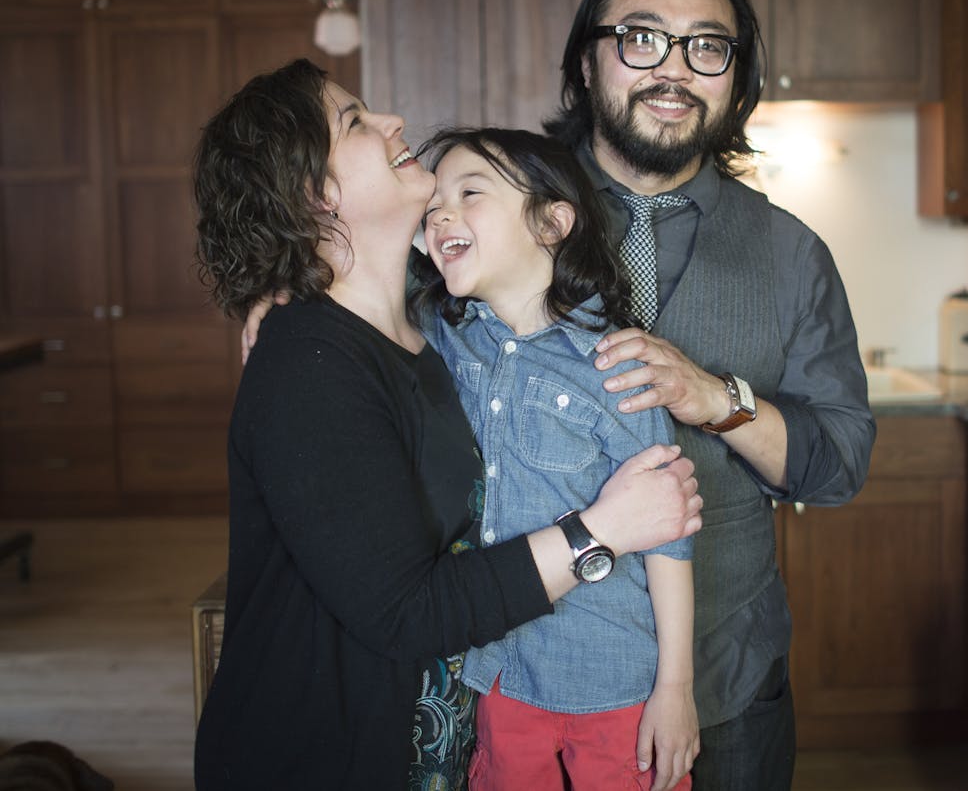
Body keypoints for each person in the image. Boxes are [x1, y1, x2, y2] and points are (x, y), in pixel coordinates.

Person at [192, 59, 701, 790]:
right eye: (356, 121)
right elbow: (406, 611)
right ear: (314, 192)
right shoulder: (307, 364)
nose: (393, 122)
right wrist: (601, 530)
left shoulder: (441, 335)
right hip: (317, 755)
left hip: (447, 740)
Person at [545, 0, 876, 788]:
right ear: (588, 61)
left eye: (707, 47)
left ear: (737, 76)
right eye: (642, 39)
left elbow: (837, 466)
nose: (675, 71)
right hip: (542, 683)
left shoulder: (792, 253)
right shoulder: (499, 209)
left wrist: (716, 399)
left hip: (729, 683)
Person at [409, 127, 697, 790]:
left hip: (613, 679)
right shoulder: (447, 341)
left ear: (551, 222)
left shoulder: (617, 364)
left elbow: (669, 542)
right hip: (501, 674)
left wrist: (675, 688)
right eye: (432, 206)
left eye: (469, 192)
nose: (439, 213)